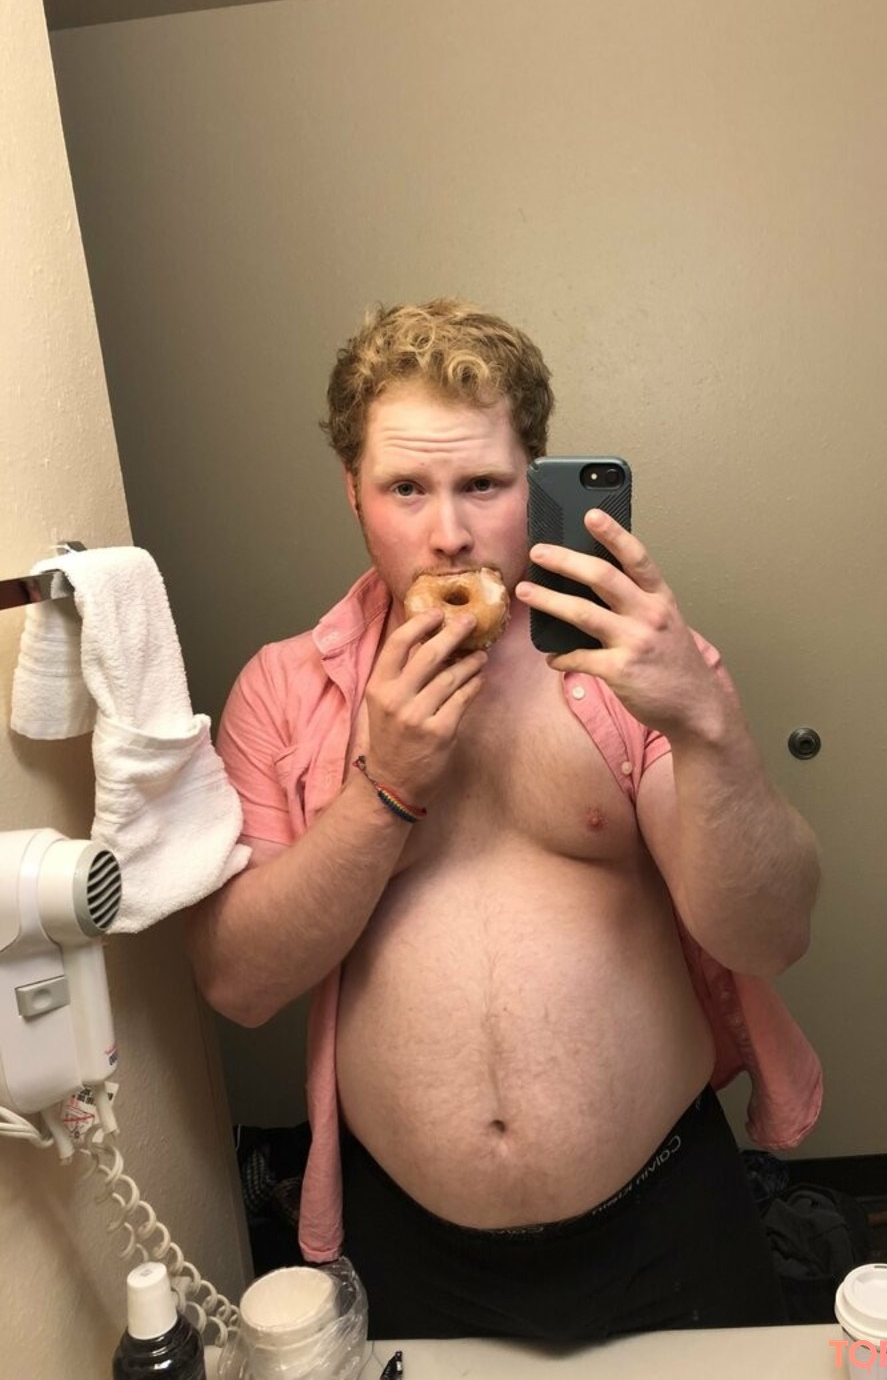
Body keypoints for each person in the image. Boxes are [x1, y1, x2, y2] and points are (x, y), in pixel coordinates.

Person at [184, 298, 822, 1342]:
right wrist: (384, 790)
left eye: (483, 484)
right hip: (407, 1235)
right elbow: (239, 983)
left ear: (535, 479)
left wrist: (707, 724)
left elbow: (769, 933)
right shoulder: (284, 691)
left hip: (665, 1208)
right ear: (352, 489)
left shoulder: (634, 667)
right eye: (406, 487)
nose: (448, 533)